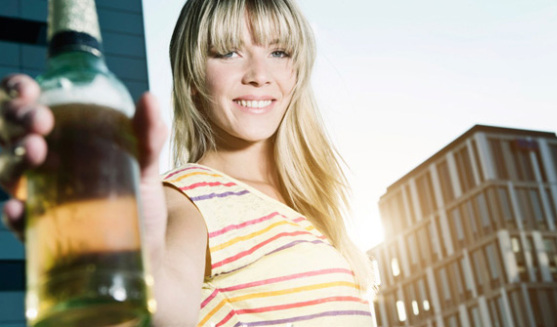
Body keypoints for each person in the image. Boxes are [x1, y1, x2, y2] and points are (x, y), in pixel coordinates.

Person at [0, 0, 374, 325]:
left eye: (279, 52)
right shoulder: (187, 197)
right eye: (229, 52)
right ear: (193, 79)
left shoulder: (311, 205)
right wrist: (132, 257)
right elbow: (168, 299)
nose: (260, 76)